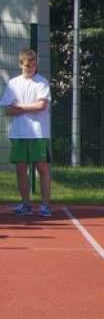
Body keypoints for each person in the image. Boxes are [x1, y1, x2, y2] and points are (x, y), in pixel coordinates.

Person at [1, 49, 52, 217]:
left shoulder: (42, 82)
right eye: (27, 66)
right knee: (20, 170)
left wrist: (20, 106)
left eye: (33, 65)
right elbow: (8, 110)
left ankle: (45, 205)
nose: (30, 69)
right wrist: (25, 107)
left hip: (38, 133)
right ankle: (26, 204)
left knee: (42, 169)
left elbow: (41, 106)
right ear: (20, 65)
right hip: (19, 133)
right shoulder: (13, 84)